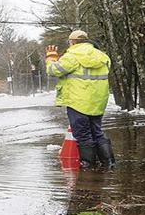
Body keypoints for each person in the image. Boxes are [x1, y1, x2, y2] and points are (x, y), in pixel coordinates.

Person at [45, 30, 115, 169]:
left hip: (78, 102)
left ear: (72, 42)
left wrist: (51, 57)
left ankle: (88, 165)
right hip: (97, 102)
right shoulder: (102, 56)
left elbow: (53, 70)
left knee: (83, 134)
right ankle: (108, 162)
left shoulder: (72, 56)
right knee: (97, 132)